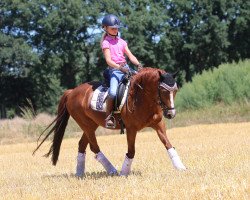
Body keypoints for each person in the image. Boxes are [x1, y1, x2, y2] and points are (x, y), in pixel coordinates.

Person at [101, 14, 143, 128]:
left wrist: (138, 64)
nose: (115, 30)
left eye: (117, 28)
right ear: (105, 28)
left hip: (126, 68)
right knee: (113, 92)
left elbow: (130, 55)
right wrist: (119, 68)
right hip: (114, 71)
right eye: (112, 28)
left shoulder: (122, 42)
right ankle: (109, 116)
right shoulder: (106, 43)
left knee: (140, 85)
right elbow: (108, 61)